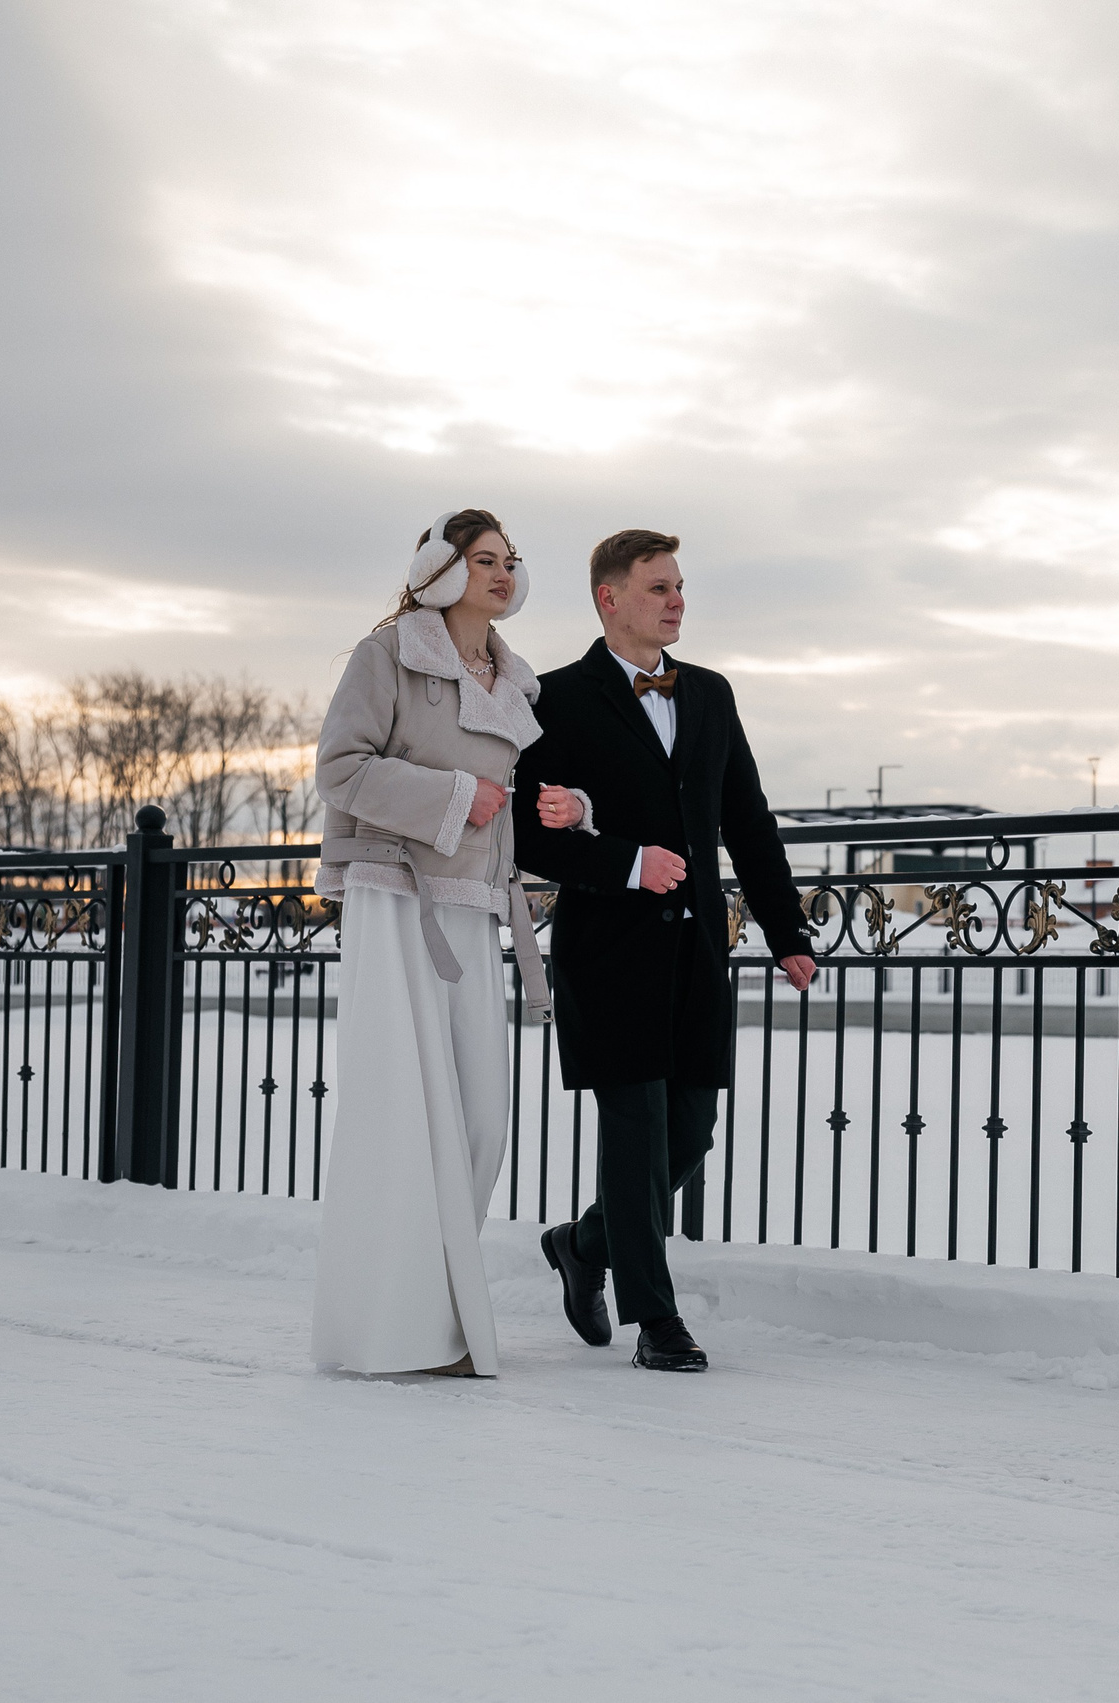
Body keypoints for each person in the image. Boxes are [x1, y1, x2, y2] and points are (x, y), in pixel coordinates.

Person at [513, 529, 816, 1372]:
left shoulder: (712, 694)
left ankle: (583, 1243)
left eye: (679, 586)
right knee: (636, 1128)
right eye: (657, 587)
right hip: (608, 950)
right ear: (610, 598)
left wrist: (786, 930)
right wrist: (624, 862)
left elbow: (747, 822)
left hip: (695, 956)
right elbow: (528, 835)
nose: (675, 599)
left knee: (690, 1130)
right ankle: (658, 1320)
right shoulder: (558, 698)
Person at [309, 507, 584, 1378]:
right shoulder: (386, 653)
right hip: (395, 898)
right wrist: (455, 793)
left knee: (479, 1119)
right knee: (401, 1115)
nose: (503, 573)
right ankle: (397, 1332)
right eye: (484, 559)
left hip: (476, 907)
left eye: (511, 561)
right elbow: (339, 768)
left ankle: (439, 1312)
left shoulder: (515, 683)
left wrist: (570, 811)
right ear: (440, 568)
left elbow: (521, 804)